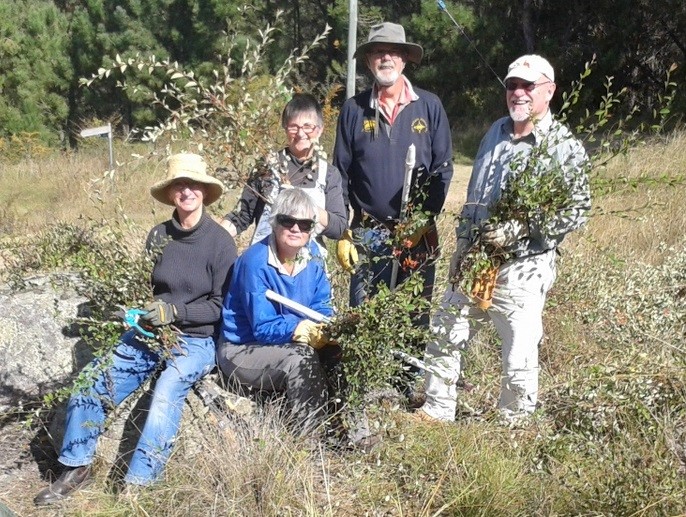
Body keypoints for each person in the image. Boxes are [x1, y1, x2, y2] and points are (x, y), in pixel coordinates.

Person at [34, 153, 238, 505]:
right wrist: (134, 310)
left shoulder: (220, 243)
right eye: (179, 185)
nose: (187, 191)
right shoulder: (158, 235)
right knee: (93, 381)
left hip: (196, 339)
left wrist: (175, 311)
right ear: (171, 192)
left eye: (193, 185)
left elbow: (220, 308)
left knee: (165, 395)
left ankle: (137, 487)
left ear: (205, 191)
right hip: (149, 333)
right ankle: (76, 467)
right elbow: (146, 288)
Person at [416, 55, 592, 423]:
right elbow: (475, 196)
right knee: (447, 332)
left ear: (549, 91)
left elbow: (576, 210)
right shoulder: (495, 131)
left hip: (523, 267)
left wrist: (523, 228)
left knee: (519, 350)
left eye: (528, 86)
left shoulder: (563, 146)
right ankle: (436, 410)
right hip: (476, 260)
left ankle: (514, 425)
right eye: (512, 85)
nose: (518, 93)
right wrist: (462, 247)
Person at [333, 22, 453, 318]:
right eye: (378, 52)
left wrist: (422, 220)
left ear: (404, 59)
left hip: (418, 235)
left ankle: (409, 368)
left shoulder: (429, 106)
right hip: (368, 233)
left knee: (412, 321)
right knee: (363, 319)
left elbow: (443, 169)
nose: (385, 58)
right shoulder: (353, 109)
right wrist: (343, 231)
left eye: (393, 52)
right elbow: (339, 173)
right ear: (368, 60)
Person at [217, 188, 336, 435]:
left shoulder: (313, 256)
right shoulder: (255, 263)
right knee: (300, 360)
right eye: (287, 221)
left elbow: (321, 304)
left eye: (304, 224)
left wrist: (324, 328)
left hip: (288, 341)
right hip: (242, 348)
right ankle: (311, 441)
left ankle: (359, 436)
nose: (296, 229)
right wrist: (298, 329)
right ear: (274, 222)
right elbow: (261, 328)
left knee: (340, 352)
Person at [221, 93, 347, 257]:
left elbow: (338, 227)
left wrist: (304, 207)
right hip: (264, 262)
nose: (301, 133)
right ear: (285, 129)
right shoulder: (267, 167)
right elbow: (242, 216)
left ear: (320, 129)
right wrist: (208, 237)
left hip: (309, 267)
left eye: (307, 126)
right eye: (293, 127)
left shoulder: (328, 174)